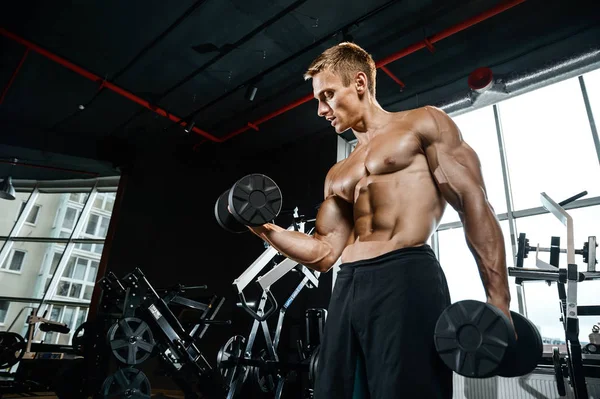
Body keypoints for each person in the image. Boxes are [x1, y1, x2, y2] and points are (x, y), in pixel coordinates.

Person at [246, 42, 513, 398]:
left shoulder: (423, 123)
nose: (321, 110)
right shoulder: (338, 173)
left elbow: (473, 204)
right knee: (334, 390)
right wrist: (263, 228)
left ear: (359, 83)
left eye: (327, 95)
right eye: (317, 100)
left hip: (405, 275)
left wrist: (499, 303)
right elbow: (324, 253)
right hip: (349, 283)